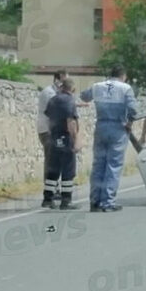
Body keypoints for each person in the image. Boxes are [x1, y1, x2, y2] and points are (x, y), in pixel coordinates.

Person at [81, 66, 138, 212]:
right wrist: (129, 123)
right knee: (113, 165)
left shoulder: (97, 86)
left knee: (98, 164)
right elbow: (133, 110)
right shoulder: (125, 88)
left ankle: (94, 201)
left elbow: (84, 96)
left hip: (101, 126)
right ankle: (107, 202)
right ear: (123, 75)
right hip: (118, 127)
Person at [42, 78, 81, 210]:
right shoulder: (70, 101)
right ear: (73, 90)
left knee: (53, 169)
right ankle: (66, 200)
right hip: (65, 138)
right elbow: (71, 122)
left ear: (61, 87)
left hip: (53, 137)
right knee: (68, 170)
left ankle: (47, 198)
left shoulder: (53, 100)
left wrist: (51, 135)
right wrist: (76, 141)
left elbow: (48, 119)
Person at [37, 69, 67, 200]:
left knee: (56, 161)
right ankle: (50, 191)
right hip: (48, 131)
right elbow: (57, 108)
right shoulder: (49, 92)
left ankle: (55, 188)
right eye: (65, 80)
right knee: (51, 161)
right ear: (58, 79)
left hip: (53, 130)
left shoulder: (56, 92)